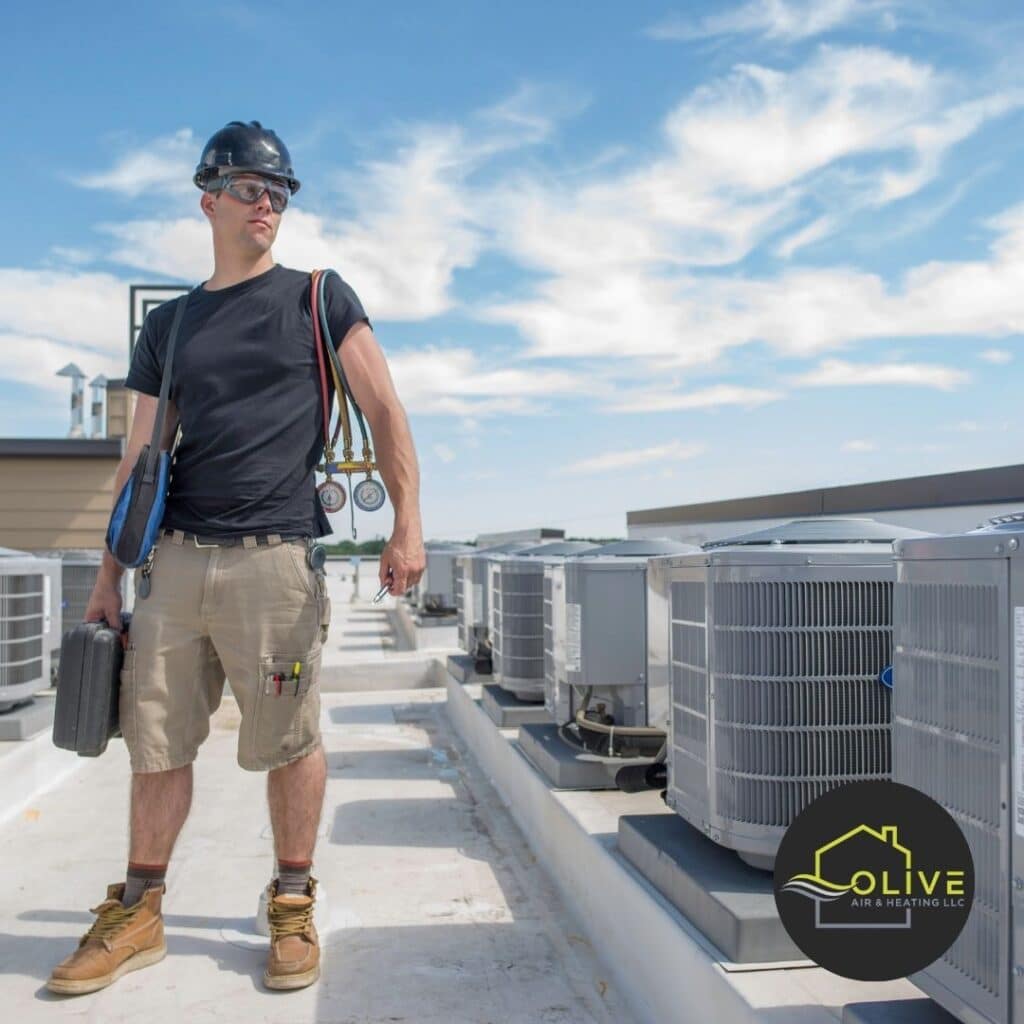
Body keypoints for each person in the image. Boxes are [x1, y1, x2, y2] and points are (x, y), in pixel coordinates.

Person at [47, 120, 426, 996]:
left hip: (276, 562)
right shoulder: (172, 327)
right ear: (209, 197)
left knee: (291, 741)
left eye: (281, 192)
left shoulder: (319, 298)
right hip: (174, 566)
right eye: (253, 188)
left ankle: (291, 903)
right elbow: (137, 460)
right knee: (155, 743)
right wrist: (108, 577)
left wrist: (408, 526)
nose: (269, 205)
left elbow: (387, 411)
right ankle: (140, 912)